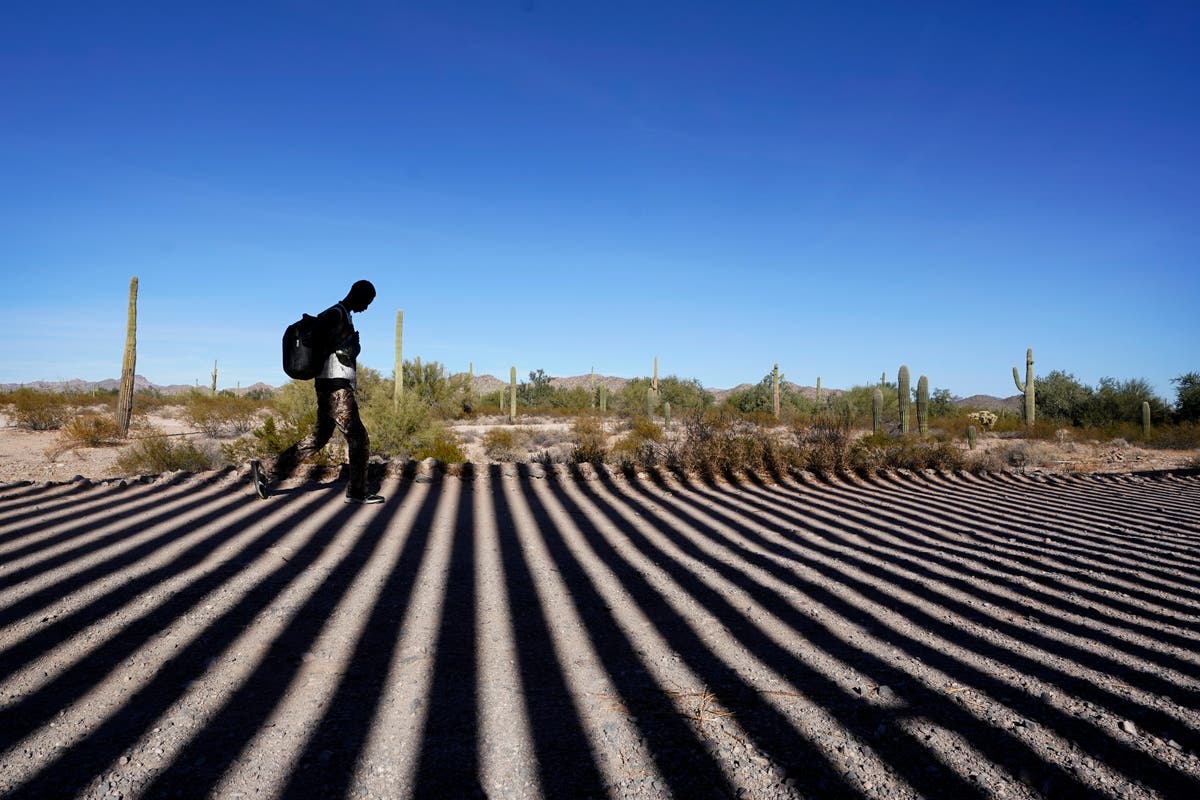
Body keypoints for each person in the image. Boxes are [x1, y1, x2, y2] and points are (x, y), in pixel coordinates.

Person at [252, 280, 384, 504]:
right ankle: (357, 491)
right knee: (358, 438)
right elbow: (315, 338)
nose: (367, 307)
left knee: (318, 437)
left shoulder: (342, 315)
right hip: (335, 386)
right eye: (367, 302)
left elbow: (341, 351)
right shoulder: (335, 314)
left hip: (330, 385)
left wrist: (352, 345)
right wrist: (343, 341)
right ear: (359, 295)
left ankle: (267, 468)